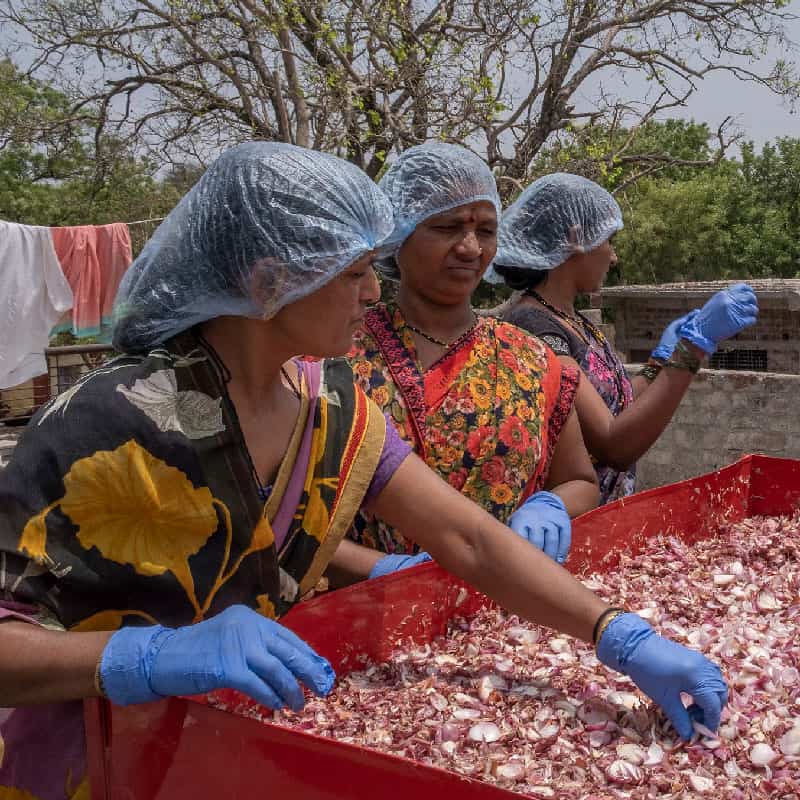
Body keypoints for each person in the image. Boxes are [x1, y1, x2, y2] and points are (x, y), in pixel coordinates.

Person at [0, 143, 726, 800]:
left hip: (231, 752)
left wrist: (616, 636)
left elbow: (467, 538)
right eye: (352, 275)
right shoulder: (107, 422)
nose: (373, 294)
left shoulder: (329, 404)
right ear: (267, 282)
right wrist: (146, 655)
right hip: (90, 765)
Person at [336, 144, 598, 582]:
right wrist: (378, 568)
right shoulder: (336, 358)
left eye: (487, 230)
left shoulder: (532, 359)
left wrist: (551, 505)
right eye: (447, 226)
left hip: (504, 615)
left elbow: (581, 481)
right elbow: (283, 523)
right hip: (365, 611)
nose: (471, 247)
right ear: (398, 235)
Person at [488, 173, 758, 504]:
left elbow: (617, 406)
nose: (613, 257)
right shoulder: (535, 327)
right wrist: (693, 348)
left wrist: (660, 360)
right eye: (608, 240)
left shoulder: (570, 319)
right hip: (570, 526)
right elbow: (614, 443)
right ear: (575, 239)